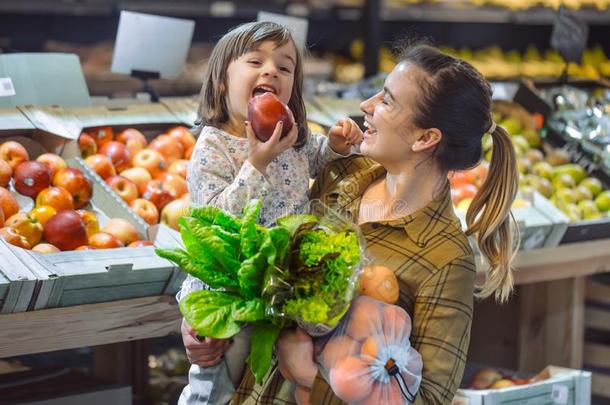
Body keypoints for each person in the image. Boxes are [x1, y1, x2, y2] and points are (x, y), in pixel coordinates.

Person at [224, 43, 520, 404]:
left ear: (425, 138)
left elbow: (429, 399)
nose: (367, 105)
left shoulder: (445, 260)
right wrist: (210, 333)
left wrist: (311, 378)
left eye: (387, 101)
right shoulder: (344, 174)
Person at [178, 21, 362, 405]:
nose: (271, 71)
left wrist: (336, 147)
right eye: (255, 61)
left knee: (268, 385)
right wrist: (256, 164)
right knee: (221, 379)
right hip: (233, 291)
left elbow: (313, 161)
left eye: (284, 66)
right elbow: (213, 222)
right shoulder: (215, 147)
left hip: (280, 289)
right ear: (222, 81)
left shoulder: (293, 136)